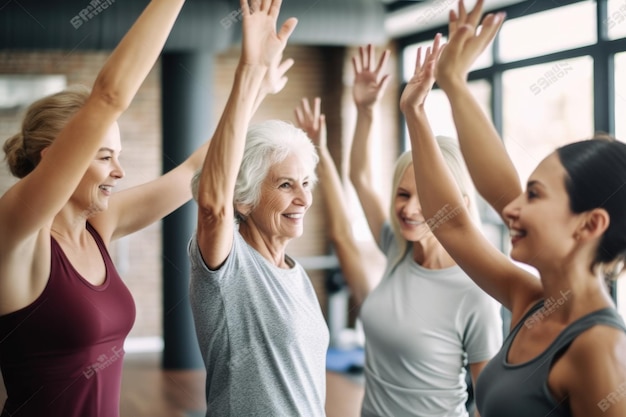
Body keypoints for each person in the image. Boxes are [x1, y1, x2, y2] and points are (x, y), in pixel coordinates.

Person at [401, 1, 626, 416]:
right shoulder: (533, 301)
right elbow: (450, 225)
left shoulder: (600, 348)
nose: (511, 208)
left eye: (535, 195)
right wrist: (433, 97)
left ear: (590, 223)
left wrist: (454, 86)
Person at [187, 1, 329, 416]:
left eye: (306, 183)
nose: (302, 199)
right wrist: (248, 73)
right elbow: (213, 205)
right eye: (286, 185)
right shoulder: (229, 268)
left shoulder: (296, 275)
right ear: (244, 197)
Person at [347, 42, 502, 416]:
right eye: (402, 194)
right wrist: (366, 111)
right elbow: (359, 176)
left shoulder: (477, 293)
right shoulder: (397, 248)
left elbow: (490, 403)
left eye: (426, 199)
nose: (410, 210)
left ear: (459, 203)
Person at [294, 96, 370, 309]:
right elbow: (342, 235)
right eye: (403, 196)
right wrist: (319, 151)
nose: (409, 210)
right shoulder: (378, 285)